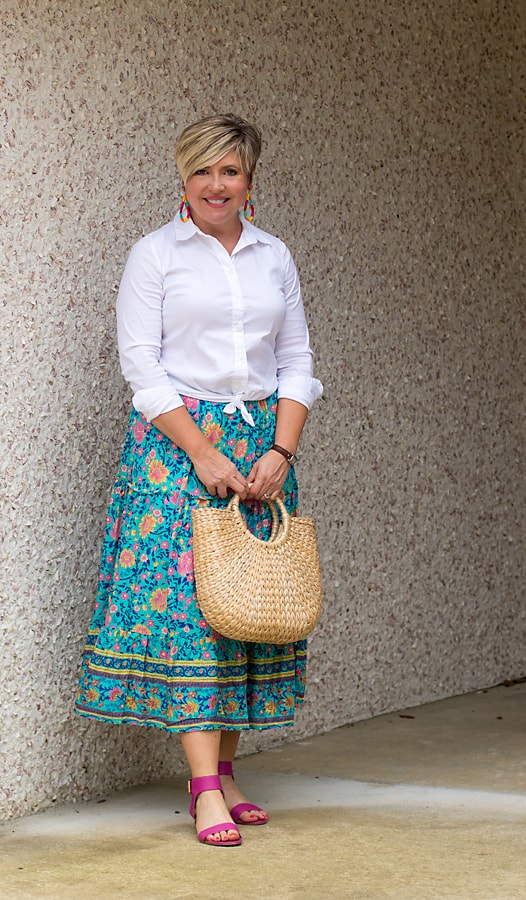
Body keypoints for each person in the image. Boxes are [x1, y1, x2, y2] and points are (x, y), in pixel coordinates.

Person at [75, 113, 323, 847]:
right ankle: (205, 787)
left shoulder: (274, 256)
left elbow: (299, 361)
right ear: (183, 177)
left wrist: (280, 452)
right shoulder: (155, 254)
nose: (217, 185)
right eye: (203, 170)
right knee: (193, 617)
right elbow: (141, 366)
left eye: (231, 171)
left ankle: (226, 772)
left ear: (251, 180)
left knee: (245, 608)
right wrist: (203, 453)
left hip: (261, 449)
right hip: (175, 445)